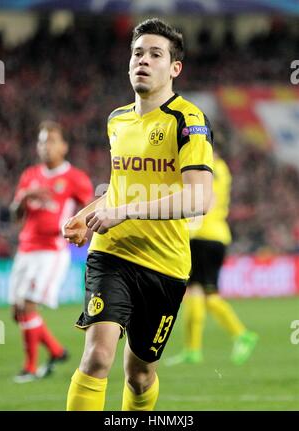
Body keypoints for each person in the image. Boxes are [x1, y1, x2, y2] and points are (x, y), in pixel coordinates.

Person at [62, 18, 214, 411]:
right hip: (111, 255)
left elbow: (198, 198)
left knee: (139, 374)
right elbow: (119, 186)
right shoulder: (117, 119)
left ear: (174, 68)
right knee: (97, 357)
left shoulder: (188, 121)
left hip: (165, 267)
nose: (143, 60)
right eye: (137, 52)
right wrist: (89, 212)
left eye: (155, 54)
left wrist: (125, 210)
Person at [9, 121, 94, 383]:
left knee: (28, 306)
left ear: (64, 146)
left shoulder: (75, 178)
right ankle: (57, 351)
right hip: (26, 249)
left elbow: (89, 209)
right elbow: (15, 215)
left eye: (52, 141)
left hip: (51, 251)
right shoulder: (30, 175)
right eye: (42, 141)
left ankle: (31, 368)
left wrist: (80, 232)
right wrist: (24, 197)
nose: (46, 147)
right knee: (17, 310)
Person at [165, 133, 258, 367]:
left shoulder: (211, 167)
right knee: (195, 293)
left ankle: (242, 334)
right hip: (208, 236)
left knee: (209, 294)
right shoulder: (219, 168)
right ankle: (192, 350)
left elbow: (203, 199)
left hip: (206, 236)